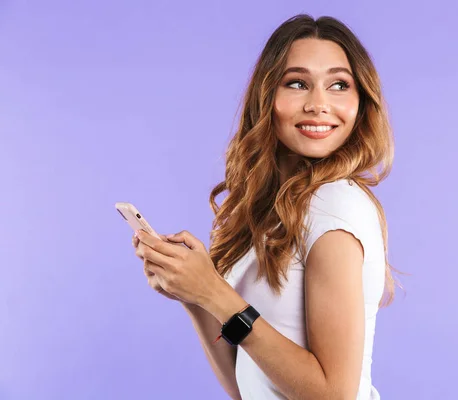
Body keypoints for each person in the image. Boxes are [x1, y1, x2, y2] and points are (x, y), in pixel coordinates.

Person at [132, 13, 397, 400]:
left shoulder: (335, 206)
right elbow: (249, 387)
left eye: (339, 84)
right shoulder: (278, 208)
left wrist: (214, 293)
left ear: (361, 104)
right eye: (297, 84)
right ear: (266, 96)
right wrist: (194, 297)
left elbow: (334, 395)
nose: (319, 104)